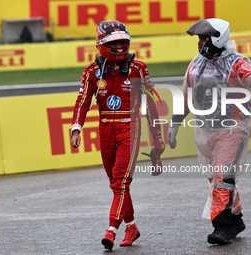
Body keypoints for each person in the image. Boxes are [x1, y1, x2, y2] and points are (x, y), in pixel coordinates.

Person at [167, 18, 251, 245]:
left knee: (223, 177)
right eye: (199, 38)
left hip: (232, 129)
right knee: (216, 178)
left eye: (205, 38)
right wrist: (175, 123)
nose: (201, 43)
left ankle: (221, 227)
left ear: (218, 38)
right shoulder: (195, 64)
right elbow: (186, 96)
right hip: (205, 130)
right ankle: (235, 219)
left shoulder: (236, 61)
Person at [70, 20, 165, 251]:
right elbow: (83, 102)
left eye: (123, 41)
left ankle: (111, 230)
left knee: (121, 181)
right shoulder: (92, 72)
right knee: (116, 183)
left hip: (129, 129)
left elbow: (151, 106)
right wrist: (76, 127)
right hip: (105, 130)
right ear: (101, 44)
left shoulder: (138, 69)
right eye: (114, 42)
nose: (120, 46)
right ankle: (131, 226)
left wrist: (157, 139)